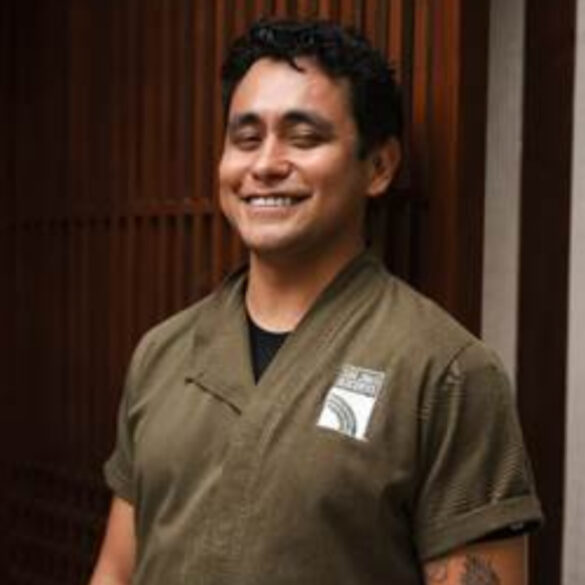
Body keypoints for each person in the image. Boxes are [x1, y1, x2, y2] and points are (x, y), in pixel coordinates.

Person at [89, 19, 542, 585]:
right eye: (246, 139)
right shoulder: (162, 353)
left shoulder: (446, 373)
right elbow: (116, 570)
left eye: (303, 138)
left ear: (379, 166)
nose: (265, 164)